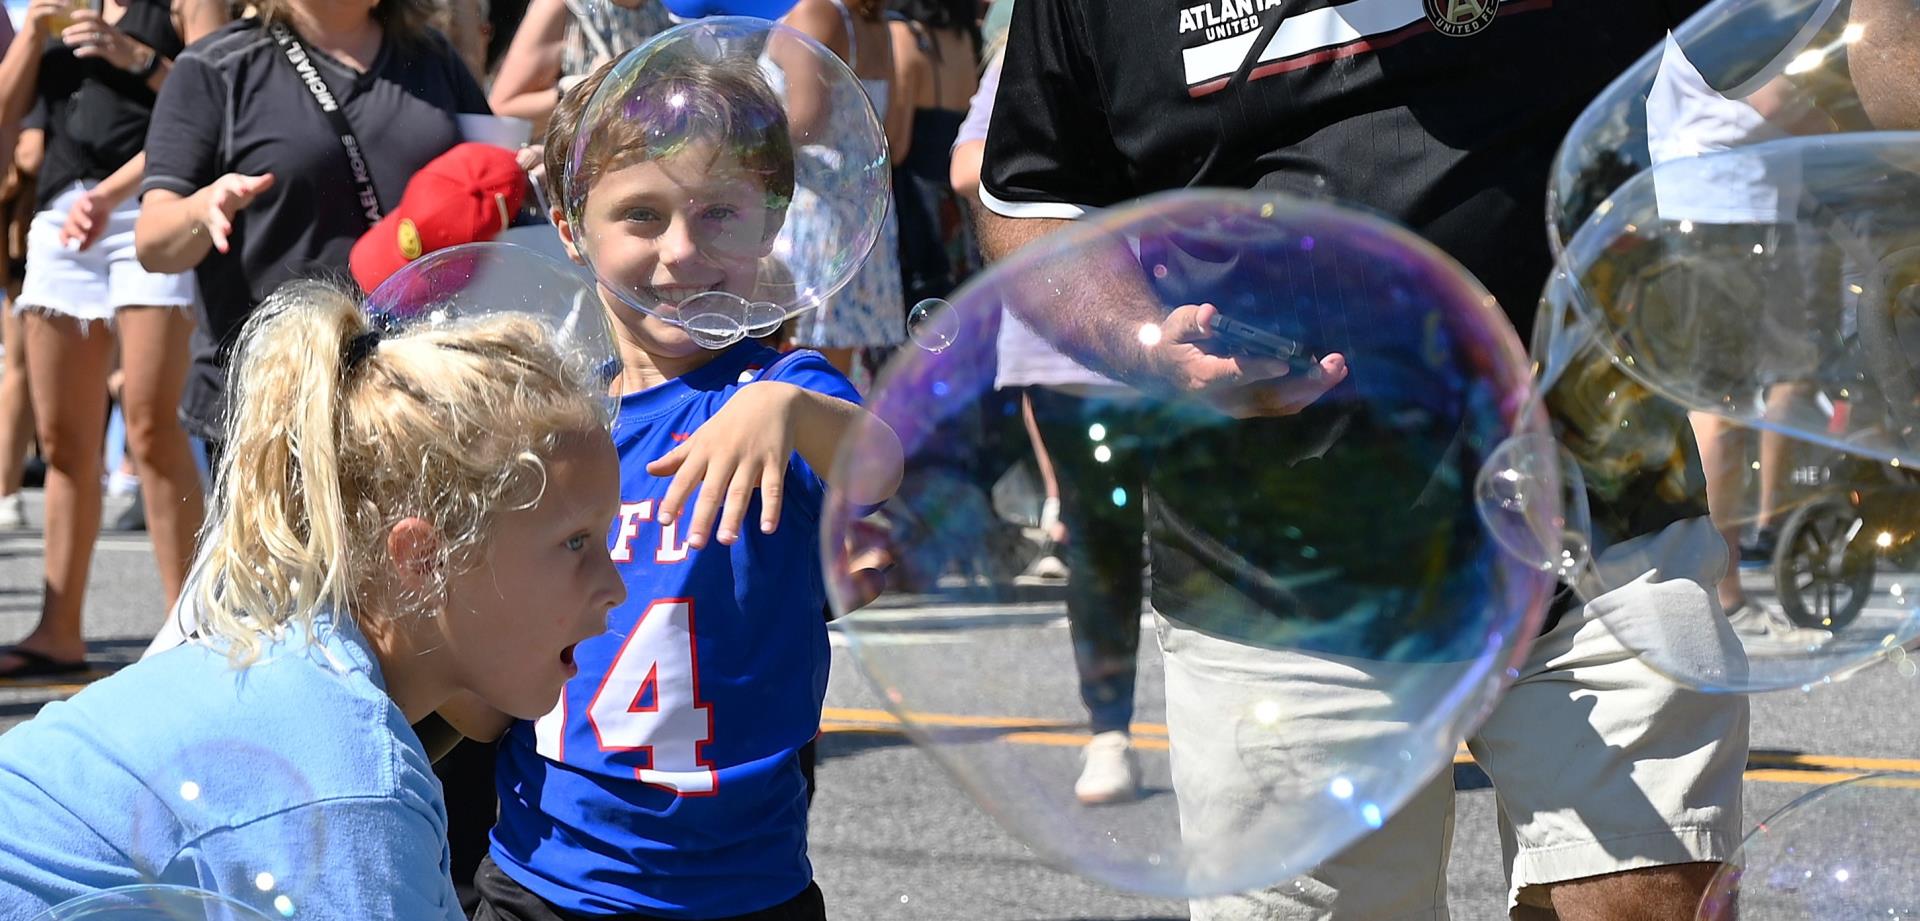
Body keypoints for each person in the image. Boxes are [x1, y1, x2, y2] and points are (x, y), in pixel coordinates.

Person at [974, 1, 1756, 918]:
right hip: (1275, 575)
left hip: (1598, 513)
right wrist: (1148, 341)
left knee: (1647, 900)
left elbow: (1833, 43)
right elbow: (1035, 204)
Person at [0, 280, 627, 919]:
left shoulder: (296, 664)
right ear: (426, 559)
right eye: (577, 543)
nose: (616, 589)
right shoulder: (349, 787)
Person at [469, 57, 903, 921]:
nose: (681, 252)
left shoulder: (783, 389)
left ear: (771, 225)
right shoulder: (557, 418)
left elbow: (883, 459)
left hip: (739, 884)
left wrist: (789, 411)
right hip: (543, 873)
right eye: (641, 214)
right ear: (568, 226)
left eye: (719, 214)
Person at [133, 0, 493, 455]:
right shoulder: (217, 67)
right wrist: (201, 210)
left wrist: (531, 174)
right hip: (276, 403)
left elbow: (495, 177)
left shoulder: (431, 57)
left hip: (420, 391)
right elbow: (153, 242)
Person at [0, 0, 226, 678]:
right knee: (66, 440)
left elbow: (220, 95)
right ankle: (58, 628)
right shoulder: (56, 8)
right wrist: (32, 37)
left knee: (154, 429)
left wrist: (135, 56)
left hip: (153, 209)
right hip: (62, 220)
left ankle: (190, 630)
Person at [781, 0, 907, 379]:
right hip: (866, 215)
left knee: (803, 373)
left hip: (816, 213)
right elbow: (895, 144)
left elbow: (806, 122)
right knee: (835, 378)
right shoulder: (876, 25)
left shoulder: (815, 13)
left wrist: (736, 133)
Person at [886, 0, 977, 306]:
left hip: (919, 207)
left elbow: (896, 148)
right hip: (960, 210)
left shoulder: (904, 35)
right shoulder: (964, 38)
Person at [485, 0, 669, 135]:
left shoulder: (657, 9)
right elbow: (502, 109)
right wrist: (580, 89)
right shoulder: (562, 6)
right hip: (578, 169)